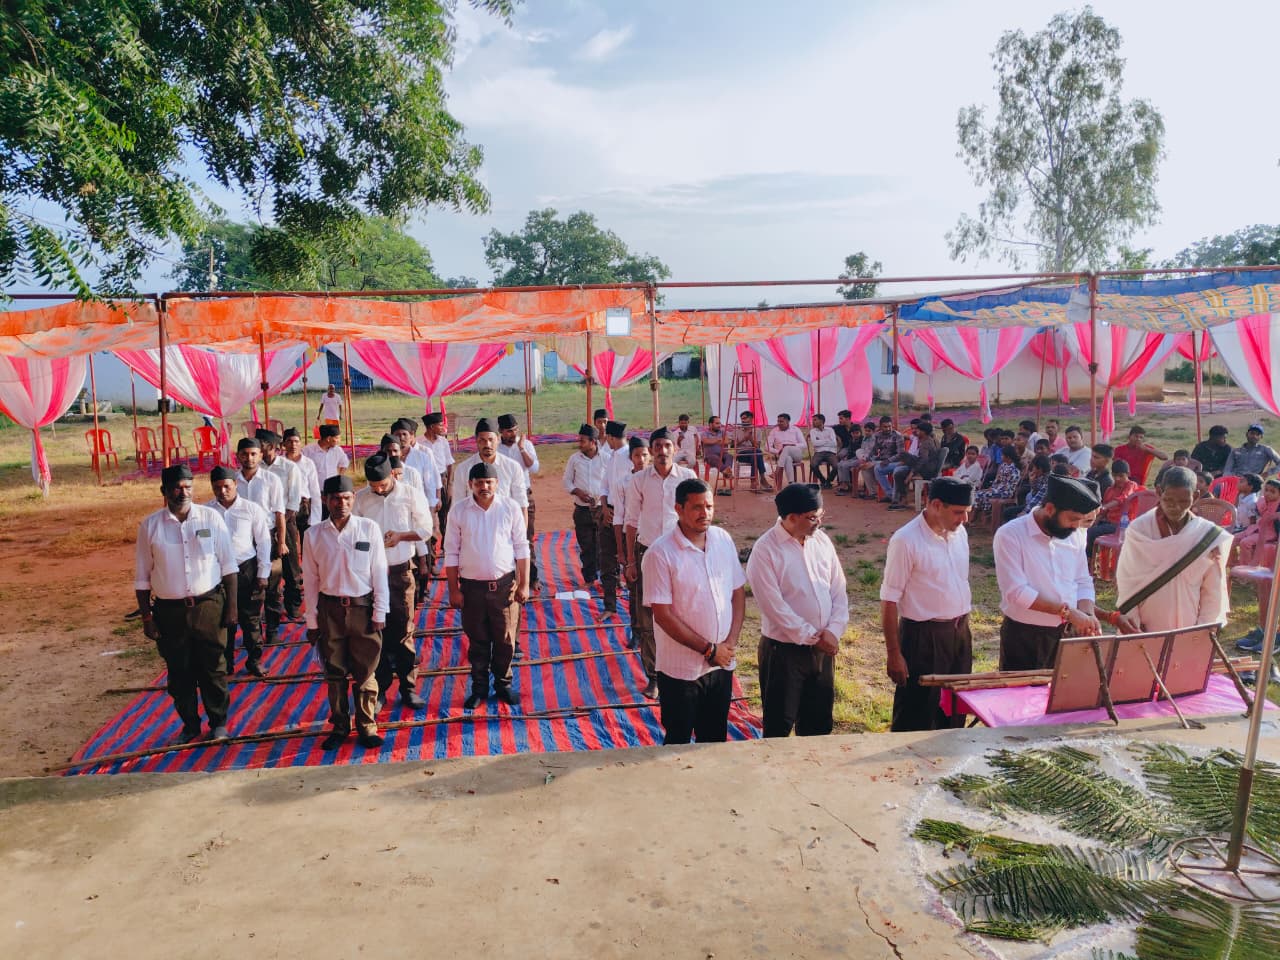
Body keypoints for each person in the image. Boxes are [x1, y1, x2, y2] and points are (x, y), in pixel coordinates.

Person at [135, 464, 238, 743]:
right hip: (170, 613)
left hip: (209, 606)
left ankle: (218, 723)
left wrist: (232, 608)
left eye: (188, 487)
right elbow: (142, 578)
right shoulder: (150, 526)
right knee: (179, 673)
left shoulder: (211, 518)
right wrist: (147, 618)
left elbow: (229, 566)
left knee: (214, 668)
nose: (183, 492)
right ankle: (190, 726)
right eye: (177, 488)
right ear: (164, 491)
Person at [642, 479, 746, 744]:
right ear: (678, 508)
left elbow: (737, 593)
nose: (705, 513)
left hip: (721, 666)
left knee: (713, 739)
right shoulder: (660, 554)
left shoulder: (722, 540)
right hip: (681, 671)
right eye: (697, 507)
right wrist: (709, 650)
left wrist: (729, 644)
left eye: (709, 506)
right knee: (678, 740)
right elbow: (663, 615)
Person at [745, 483, 849, 738]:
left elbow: (838, 589)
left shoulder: (821, 541)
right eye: (812, 517)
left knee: (819, 722)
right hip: (784, 652)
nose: (818, 522)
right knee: (779, 724)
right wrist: (811, 636)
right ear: (791, 517)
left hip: (823, 648)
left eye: (821, 516)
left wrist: (833, 631)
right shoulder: (765, 550)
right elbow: (773, 606)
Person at [880, 478, 974, 732]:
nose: (965, 519)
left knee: (955, 706)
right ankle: (907, 757)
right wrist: (893, 653)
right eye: (958, 512)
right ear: (936, 505)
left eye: (967, 511)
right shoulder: (906, 540)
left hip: (960, 631)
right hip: (923, 636)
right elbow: (889, 599)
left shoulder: (959, 533)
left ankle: (948, 753)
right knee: (918, 711)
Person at [303, 475, 389, 751]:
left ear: (353, 499)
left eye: (347, 498)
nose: (341, 503)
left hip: (363, 610)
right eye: (335, 499)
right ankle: (340, 726)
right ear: (325, 500)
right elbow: (310, 580)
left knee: (366, 671)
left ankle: (367, 725)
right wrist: (312, 620)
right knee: (335, 672)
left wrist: (380, 612)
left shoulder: (368, 528)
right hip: (330, 612)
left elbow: (379, 573)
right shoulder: (313, 535)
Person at [993, 475, 1101, 670]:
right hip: (1025, 636)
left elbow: (1082, 580)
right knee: (1022, 689)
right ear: (1050, 509)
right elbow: (1016, 592)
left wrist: (1087, 615)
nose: (1076, 526)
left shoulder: (1075, 533)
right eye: (1072, 519)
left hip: (1068, 632)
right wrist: (1068, 612)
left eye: (1080, 520)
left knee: (1064, 688)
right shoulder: (1010, 534)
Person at [445, 462, 531, 709]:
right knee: (478, 641)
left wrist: (524, 584)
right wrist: (454, 590)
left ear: (497, 483)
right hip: (472, 590)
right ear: (470, 484)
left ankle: (503, 685)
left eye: (489, 482)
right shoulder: (458, 511)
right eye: (479, 482)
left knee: (505, 641)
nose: (484, 487)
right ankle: (479, 688)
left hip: (504, 588)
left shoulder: (510, 507)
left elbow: (521, 547)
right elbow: (451, 552)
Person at [353, 453, 432, 712]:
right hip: (369, 575)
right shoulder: (361, 498)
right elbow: (353, 533)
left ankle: (408, 687)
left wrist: (400, 536)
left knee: (403, 630)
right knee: (376, 631)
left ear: (392, 475)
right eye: (373, 486)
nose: (378, 489)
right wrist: (372, 544)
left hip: (400, 572)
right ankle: (380, 689)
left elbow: (425, 529)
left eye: (382, 484)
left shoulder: (410, 494)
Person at [1113, 466, 1231, 636]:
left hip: (1188, 623)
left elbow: (1213, 590)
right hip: (1145, 623)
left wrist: (1204, 630)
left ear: (1196, 496)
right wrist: (1133, 624)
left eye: (1183, 501)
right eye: (1169, 500)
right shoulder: (1139, 530)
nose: (1175, 507)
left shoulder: (1207, 536)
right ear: (1159, 492)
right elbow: (1126, 581)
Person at [623, 428, 697, 698]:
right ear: (651, 450)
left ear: (674, 449)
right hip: (648, 553)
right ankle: (654, 676)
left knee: (684, 610)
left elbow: (699, 517)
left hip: (681, 552)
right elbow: (631, 521)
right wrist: (630, 561)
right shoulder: (639, 480)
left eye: (667, 446)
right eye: (658, 446)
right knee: (648, 616)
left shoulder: (688, 478)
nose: (663, 451)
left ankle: (685, 669)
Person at [208, 465, 271, 678]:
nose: (222, 491)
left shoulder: (251, 509)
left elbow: (263, 542)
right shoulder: (207, 512)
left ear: (235, 484)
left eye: (226, 486)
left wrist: (263, 573)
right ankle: (226, 663)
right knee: (223, 620)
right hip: (217, 574)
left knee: (250, 618)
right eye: (217, 487)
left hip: (246, 569)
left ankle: (254, 660)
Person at [234, 437, 287, 640]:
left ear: (260, 455)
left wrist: (281, 542)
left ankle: (272, 630)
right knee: (248, 586)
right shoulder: (232, 481)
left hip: (268, 537)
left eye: (253, 454)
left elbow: (279, 513)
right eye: (245, 454)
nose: (249, 458)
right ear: (238, 456)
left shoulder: (271, 480)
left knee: (272, 585)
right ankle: (252, 633)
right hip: (242, 540)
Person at [258, 429, 304, 621]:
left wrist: (280, 526)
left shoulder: (288, 468)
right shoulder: (256, 468)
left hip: (287, 521)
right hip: (261, 527)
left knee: (291, 567)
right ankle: (268, 609)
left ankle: (293, 607)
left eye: (260, 444)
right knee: (265, 567)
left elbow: (294, 501)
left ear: (271, 446)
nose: (257, 448)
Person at [497, 413, 541, 590]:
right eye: (509, 431)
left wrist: (522, 449)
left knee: (527, 538)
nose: (513, 434)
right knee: (504, 537)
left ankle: (532, 578)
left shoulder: (525, 444)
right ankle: (509, 578)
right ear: (501, 431)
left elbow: (535, 468)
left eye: (515, 430)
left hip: (524, 498)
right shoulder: (496, 448)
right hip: (503, 499)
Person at [563, 423, 608, 589]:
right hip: (582, 509)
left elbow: (612, 482)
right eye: (579, 440)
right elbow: (566, 481)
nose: (579, 443)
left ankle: (608, 578)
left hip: (602, 509)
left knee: (605, 545)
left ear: (593, 442)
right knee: (587, 546)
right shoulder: (574, 459)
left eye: (582, 441)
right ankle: (589, 579)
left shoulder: (606, 458)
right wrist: (577, 491)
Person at [596, 420, 628, 612]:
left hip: (627, 517)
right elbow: (604, 486)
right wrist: (605, 508)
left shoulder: (630, 456)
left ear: (610, 437)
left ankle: (636, 611)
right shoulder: (612, 456)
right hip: (609, 513)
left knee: (628, 560)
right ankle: (610, 606)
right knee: (607, 560)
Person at [612, 435, 650, 589]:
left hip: (652, 538)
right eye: (637, 455)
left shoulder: (657, 481)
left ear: (650, 455)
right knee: (634, 585)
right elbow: (618, 516)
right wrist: (621, 551)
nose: (641, 459)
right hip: (631, 539)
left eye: (644, 455)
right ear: (630, 458)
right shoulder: (622, 483)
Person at [1084, 459, 1139, 559]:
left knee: (1091, 532)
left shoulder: (1131, 485)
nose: (1117, 479)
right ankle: (1087, 558)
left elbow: (1123, 498)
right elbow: (1103, 512)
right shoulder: (1110, 490)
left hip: (1121, 525)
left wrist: (1105, 506)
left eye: (1121, 476)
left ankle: (1089, 559)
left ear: (1128, 474)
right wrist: (1094, 521)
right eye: (1115, 476)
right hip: (1107, 522)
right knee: (1085, 529)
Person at [890, 420, 941, 510]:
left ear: (923, 432)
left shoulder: (926, 443)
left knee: (903, 454)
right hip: (924, 467)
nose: (916, 432)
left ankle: (903, 499)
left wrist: (911, 473)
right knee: (898, 474)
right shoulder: (923, 440)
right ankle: (903, 499)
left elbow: (923, 460)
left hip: (927, 470)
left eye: (918, 430)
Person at [282, 427, 321, 538]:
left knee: (308, 541)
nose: (293, 445)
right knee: (289, 542)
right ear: (284, 444)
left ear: (301, 443)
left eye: (296, 441)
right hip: (285, 507)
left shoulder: (308, 463)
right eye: (289, 441)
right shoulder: (279, 463)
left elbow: (314, 491)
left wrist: (315, 518)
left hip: (304, 507)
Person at [1235, 478, 1280, 567]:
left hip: (1269, 533)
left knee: (1245, 543)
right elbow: (1257, 516)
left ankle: (1246, 568)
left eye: (1272, 492)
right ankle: (1233, 563)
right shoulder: (1262, 501)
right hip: (1256, 528)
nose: (1267, 493)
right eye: (1266, 490)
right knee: (1234, 539)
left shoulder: (1279, 506)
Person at [859, 416, 902, 501]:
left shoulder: (897, 436)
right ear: (880, 427)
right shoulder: (878, 435)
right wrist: (867, 460)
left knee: (877, 468)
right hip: (881, 460)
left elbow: (900, 455)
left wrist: (877, 462)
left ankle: (890, 495)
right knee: (865, 468)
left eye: (889, 426)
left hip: (895, 461)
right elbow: (874, 450)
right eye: (885, 427)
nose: (888, 429)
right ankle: (873, 493)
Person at [766, 413, 807, 489]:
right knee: (787, 458)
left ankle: (776, 472)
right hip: (782, 455)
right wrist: (778, 451)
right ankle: (791, 483)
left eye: (781, 421)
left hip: (796, 454)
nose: (779, 423)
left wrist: (793, 445)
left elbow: (804, 445)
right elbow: (767, 447)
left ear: (788, 421)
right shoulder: (774, 431)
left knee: (787, 447)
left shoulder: (795, 429)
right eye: (778, 421)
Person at [732, 411, 766, 492]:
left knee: (756, 454)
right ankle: (762, 479)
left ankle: (753, 482)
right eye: (742, 419)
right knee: (757, 453)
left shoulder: (757, 430)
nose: (743, 421)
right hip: (741, 454)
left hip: (753, 453)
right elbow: (732, 446)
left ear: (751, 419)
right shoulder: (737, 430)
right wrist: (743, 439)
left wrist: (750, 438)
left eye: (745, 418)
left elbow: (757, 446)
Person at [808, 414, 840, 488]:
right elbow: (815, 443)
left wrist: (820, 441)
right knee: (813, 465)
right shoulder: (812, 431)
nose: (813, 422)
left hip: (830, 452)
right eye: (813, 420)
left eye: (815, 420)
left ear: (821, 421)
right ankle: (823, 481)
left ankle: (828, 481)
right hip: (819, 452)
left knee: (837, 466)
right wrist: (827, 440)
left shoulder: (830, 430)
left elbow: (834, 443)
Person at [701, 415, 732, 492]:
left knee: (729, 456)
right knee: (715, 458)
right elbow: (706, 441)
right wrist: (719, 440)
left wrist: (713, 441)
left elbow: (727, 441)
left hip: (723, 455)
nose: (719, 425)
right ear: (711, 424)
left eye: (719, 423)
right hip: (710, 457)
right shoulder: (705, 433)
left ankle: (726, 471)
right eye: (717, 423)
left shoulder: (723, 432)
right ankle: (727, 472)